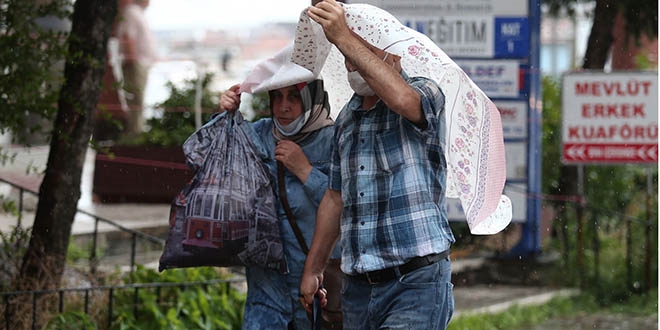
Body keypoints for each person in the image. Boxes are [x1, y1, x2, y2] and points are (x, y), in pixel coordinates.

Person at [297, 1, 512, 329]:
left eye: (361, 49)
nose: (351, 61)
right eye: (347, 54)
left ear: (392, 54)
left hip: (416, 282)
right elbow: (334, 198)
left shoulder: (424, 91)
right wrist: (313, 269)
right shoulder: (346, 120)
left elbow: (403, 101)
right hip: (358, 290)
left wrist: (343, 35)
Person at [219, 45, 340, 330]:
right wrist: (225, 115)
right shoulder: (259, 133)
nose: (283, 107)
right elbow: (215, 160)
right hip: (266, 288)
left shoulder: (334, 139)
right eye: (277, 97)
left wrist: (306, 171)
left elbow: (346, 205)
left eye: (295, 97)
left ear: (312, 98)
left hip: (314, 291)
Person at [116, 0, 157, 136]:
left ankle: (137, 131)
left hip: (140, 62)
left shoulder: (136, 12)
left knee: (138, 99)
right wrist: (132, 59)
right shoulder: (131, 12)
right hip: (136, 63)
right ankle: (135, 133)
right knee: (136, 99)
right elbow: (128, 37)